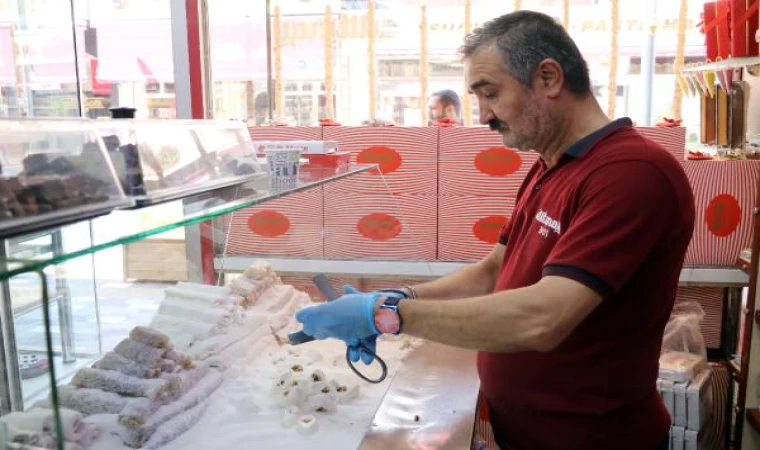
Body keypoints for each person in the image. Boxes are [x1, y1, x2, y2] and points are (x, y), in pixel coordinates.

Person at [295, 11, 694, 450]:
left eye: (491, 93)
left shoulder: (631, 173)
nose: (483, 114)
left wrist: (385, 317)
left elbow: (545, 317)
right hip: (526, 430)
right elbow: (492, 271)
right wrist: (398, 297)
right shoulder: (552, 166)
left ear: (548, 78)